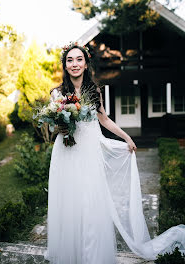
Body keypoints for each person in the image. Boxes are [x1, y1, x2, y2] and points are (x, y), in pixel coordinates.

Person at [44, 42, 185, 264]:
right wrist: (58, 127)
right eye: (69, 60)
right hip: (66, 153)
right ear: (64, 65)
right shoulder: (57, 93)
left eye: (79, 59)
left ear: (86, 62)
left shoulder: (94, 91)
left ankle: (91, 255)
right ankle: (69, 252)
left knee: (90, 202)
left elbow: (104, 119)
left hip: (90, 153)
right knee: (69, 200)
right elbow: (52, 127)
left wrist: (126, 137)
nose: (74, 64)